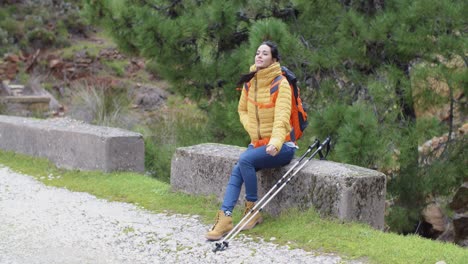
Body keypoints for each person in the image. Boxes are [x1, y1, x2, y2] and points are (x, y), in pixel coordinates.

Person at [205, 41, 297, 241]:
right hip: (259, 144)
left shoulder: (281, 84)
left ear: (274, 60)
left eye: (264, 54)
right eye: (257, 53)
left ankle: (252, 209)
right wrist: (254, 132)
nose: (259, 56)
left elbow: (282, 118)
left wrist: (275, 142)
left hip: (282, 146)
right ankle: (225, 217)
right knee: (239, 167)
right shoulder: (250, 81)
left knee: (244, 161)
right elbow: (243, 110)